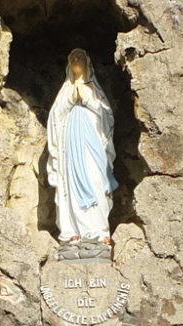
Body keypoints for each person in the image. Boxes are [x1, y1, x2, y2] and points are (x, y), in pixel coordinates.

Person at [46, 48, 118, 246]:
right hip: (70, 145)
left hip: (92, 145)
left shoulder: (95, 91)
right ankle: (72, 232)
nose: (77, 59)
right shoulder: (65, 91)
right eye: (73, 57)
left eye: (80, 57)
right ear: (69, 64)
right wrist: (71, 99)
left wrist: (86, 98)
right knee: (70, 183)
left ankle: (100, 230)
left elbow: (107, 118)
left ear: (87, 63)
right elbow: (54, 118)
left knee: (96, 179)